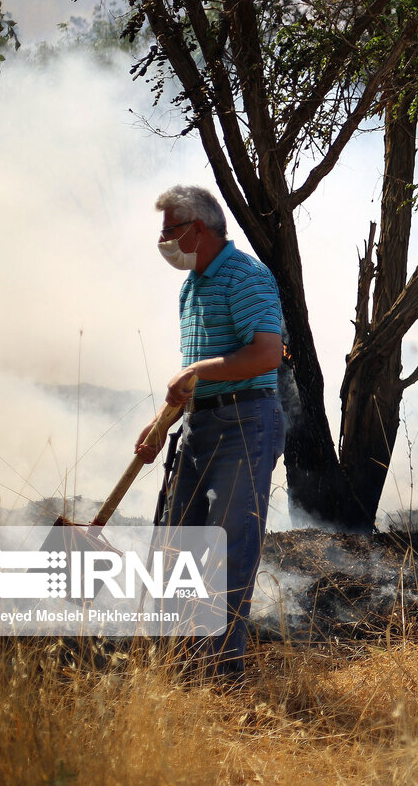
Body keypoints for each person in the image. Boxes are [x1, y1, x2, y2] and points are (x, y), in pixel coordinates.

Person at [135, 185, 285, 680]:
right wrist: (160, 426)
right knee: (183, 546)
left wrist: (196, 369)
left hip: (244, 423)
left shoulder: (246, 277)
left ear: (198, 229)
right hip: (201, 424)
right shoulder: (192, 286)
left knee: (228, 549)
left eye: (170, 230)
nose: (163, 241)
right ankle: (182, 673)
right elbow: (194, 382)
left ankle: (223, 678)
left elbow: (266, 354)